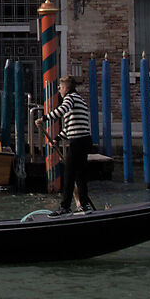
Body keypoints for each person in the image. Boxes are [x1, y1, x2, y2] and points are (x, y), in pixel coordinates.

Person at [48, 70, 94, 212]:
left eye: (60, 87)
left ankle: (65, 207)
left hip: (78, 142)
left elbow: (61, 110)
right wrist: (56, 139)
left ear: (66, 88)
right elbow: (70, 128)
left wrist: (44, 118)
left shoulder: (70, 98)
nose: (59, 90)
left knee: (69, 174)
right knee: (80, 175)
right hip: (85, 140)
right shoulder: (79, 100)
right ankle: (84, 205)